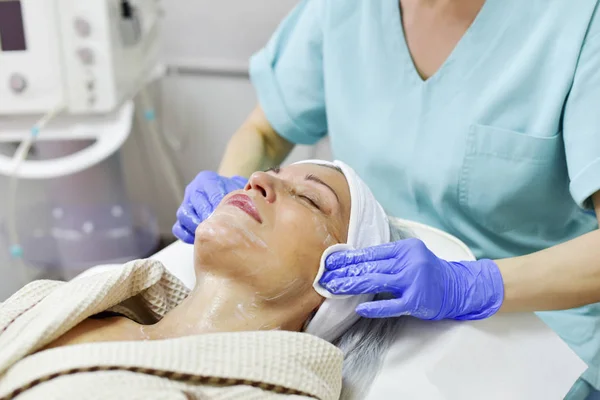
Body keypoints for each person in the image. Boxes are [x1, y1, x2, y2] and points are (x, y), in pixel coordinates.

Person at [173, 1, 600, 398]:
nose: (260, 182)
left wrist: (473, 285)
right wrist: (230, 196)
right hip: (368, 324)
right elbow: (265, 133)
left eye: (310, 198)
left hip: (540, 336)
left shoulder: (578, 22)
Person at [0, 161, 412, 400]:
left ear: (337, 286)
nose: (256, 180)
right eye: (271, 173)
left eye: (308, 198)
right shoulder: (68, 298)